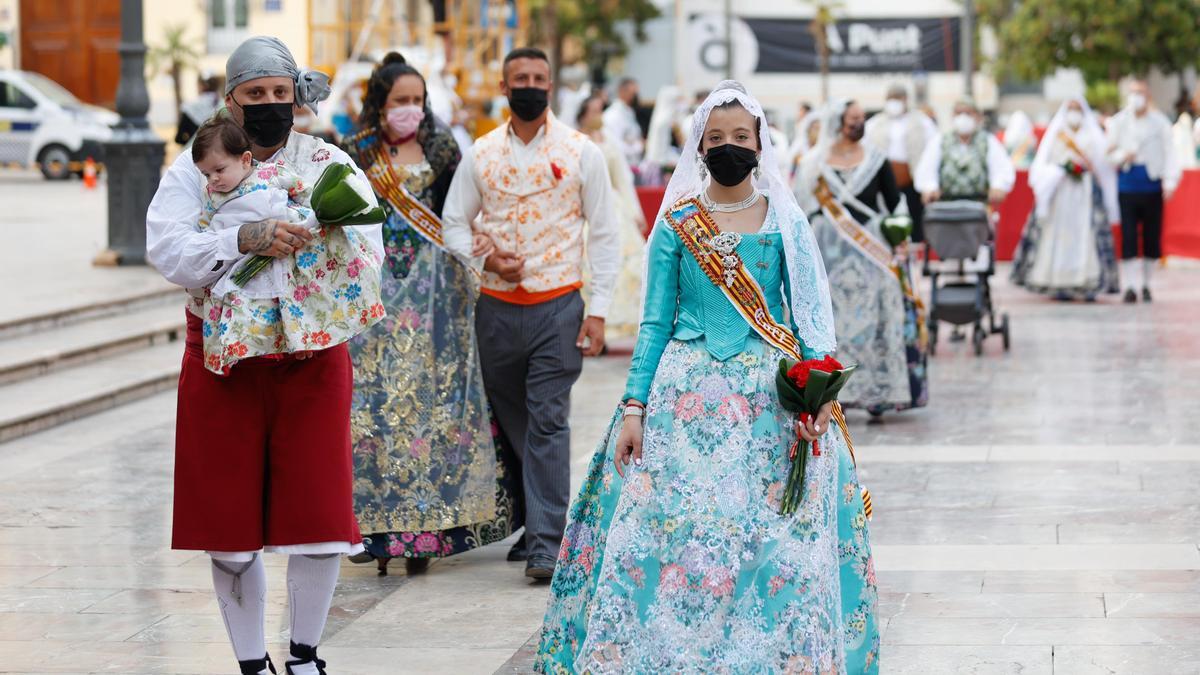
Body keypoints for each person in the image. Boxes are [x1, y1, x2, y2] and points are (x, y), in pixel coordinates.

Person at [535, 80, 879, 673]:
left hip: (769, 399)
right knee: (674, 541)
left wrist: (819, 396)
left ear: (759, 143)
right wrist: (635, 409)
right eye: (715, 137)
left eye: (740, 137)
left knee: (770, 544)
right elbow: (653, 324)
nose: (729, 146)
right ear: (698, 145)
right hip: (681, 398)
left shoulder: (786, 222)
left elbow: (811, 320)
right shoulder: (677, 224)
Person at [145, 36, 384, 675]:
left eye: (281, 94)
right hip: (224, 363)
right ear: (231, 101)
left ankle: (304, 656)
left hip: (311, 360)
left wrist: (317, 249)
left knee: (318, 515)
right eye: (256, 96)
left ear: (298, 98)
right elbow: (166, 249)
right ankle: (252, 662)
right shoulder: (199, 167)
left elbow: (369, 249)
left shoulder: (329, 163)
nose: (270, 106)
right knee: (227, 527)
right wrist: (240, 237)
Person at [338, 52, 521, 577]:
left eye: (417, 101)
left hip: (434, 301)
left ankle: (429, 531)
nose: (410, 110)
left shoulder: (443, 152)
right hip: (374, 301)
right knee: (373, 418)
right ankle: (372, 529)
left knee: (432, 416)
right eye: (400, 101)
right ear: (380, 104)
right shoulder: (355, 155)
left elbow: (457, 219)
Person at [441, 47, 621, 579]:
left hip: (559, 306)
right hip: (496, 309)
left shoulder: (581, 152)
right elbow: (453, 223)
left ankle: (547, 543)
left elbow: (606, 234)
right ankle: (530, 520)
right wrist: (487, 255)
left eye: (539, 78)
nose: (530, 86)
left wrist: (600, 311)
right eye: (520, 78)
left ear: (551, 86)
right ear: (503, 87)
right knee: (512, 419)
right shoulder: (480, 154)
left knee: (548, 420)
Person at [188, 117, 383, 375]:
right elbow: (206, 225)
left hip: (291, 245)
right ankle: (238, 348)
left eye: (219, 170)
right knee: (242, 304)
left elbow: (303, 190)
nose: (213, 179)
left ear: (245, 160)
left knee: (298, 298)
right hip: (246, 260)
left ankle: (305, 339)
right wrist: (223, 241)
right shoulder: (212, 196)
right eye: (206, 174)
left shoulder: (271, 172)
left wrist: (314, 213)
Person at [799, 99, 928, 416]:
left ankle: (877, 391)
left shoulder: (876, 159)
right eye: (853, 118)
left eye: (861, 118)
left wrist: (900, 237)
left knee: (877, 316)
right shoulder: (815, 163)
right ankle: (833, 390)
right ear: (838, 121)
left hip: (871, 250)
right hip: (828, 250)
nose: (859, 123)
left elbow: (895, 205)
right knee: (833, 321)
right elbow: (801, 204)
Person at [1012, 98, 1121, 301]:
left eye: (1077, 110)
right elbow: (1041, 166)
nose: (1073, 114)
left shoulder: (1093, 136)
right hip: (1059, 193)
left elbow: (1104, 166)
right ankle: (1059, 282)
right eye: (1070, 110)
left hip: (1085, 193)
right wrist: (1059, 170)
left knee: (1086, 236)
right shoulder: (1056, 135)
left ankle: (1088, 282)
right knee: (1058, 235)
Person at [577, 93, 647, 340]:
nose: (598, 116)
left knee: (624, 264)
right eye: (594, 111)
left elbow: (623, 181)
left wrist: (635, 212)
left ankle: (610, 325)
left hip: (613, 205)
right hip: (584, 206)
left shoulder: (609, 142)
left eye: (600, 110)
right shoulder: (574, 142)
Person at [1106, 79, 1180, 303]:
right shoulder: (1119, 122)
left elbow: (1170, 152)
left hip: (1151, 185)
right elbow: (1108, 153)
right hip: (1127, 186)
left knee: (1151, 236)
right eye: (1133, 93)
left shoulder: (1159, 123)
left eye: (1140, 93)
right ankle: (1129, 285)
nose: (1136, 97)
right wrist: (1121, 156)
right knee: (1128, 236)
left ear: (1148, 96)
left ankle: (1146, 284)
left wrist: (1170, 181)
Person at [864, 84, 937, 242]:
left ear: (905, 100)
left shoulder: (922, 123)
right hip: (884, 184)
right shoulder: (874, 124)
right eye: (891, 99)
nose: (894, 103)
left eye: (898, 99)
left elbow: (933, 153)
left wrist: (930, 184)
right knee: (887, 221)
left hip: (913, 181)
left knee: (915, 224)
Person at [915, 97, 1016, 207]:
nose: (963, 117)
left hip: (979, 206)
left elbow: (1001, 168)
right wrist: (930, 188)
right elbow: (927, 168)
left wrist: (998, 186)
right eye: (958, 113)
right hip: (945, 206)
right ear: (952, 116)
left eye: (968, 113)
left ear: (977, 117)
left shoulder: (988, 141)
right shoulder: (940, 141)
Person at [603, 76, 645, 166]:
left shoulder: (629, 112)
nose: (636, 97)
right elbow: (615, 146)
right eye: (633, 94)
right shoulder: (613, 116)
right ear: (622, 92)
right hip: (623, 167)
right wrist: (639, 145)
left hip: (635, 164)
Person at [175, 72, 223, 145]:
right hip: (220, 153)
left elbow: (179, 138)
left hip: (193, 153)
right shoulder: (225, 105)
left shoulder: (189, 107)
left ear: (202, 86)